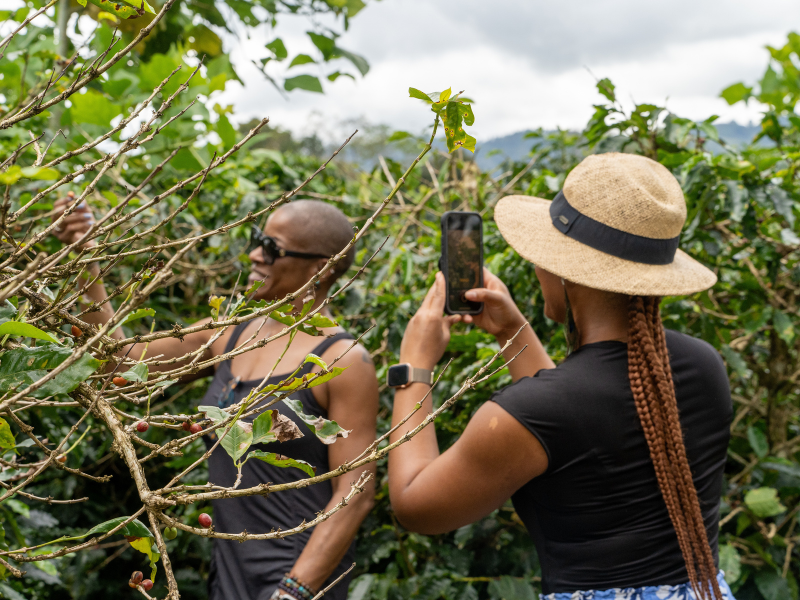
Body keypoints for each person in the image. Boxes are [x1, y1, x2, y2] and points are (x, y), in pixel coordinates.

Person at [387, 153, 735, 600]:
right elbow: (578, 430)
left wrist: (414, 368)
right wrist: (513, 333)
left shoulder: (534, 412)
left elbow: (416, 506)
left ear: (566, 273)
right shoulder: (704, 366)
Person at [50, 197, 378, 600]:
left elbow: (355, 493)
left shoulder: (343, 360)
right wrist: (87, 260)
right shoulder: (229, 334)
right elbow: (120, 368)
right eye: (259, 239)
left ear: (321, 268)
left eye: (272, 248)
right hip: (229, 570)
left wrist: (293, 591)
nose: (255, 254)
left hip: (296, 576)